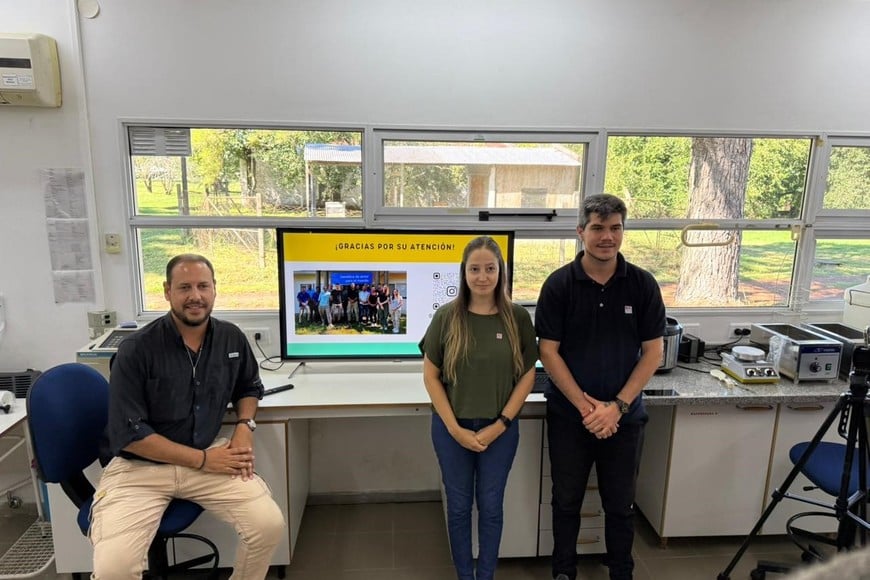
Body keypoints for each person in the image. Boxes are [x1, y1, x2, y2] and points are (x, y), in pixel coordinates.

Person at [92, 254, 285, 579]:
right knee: (113, 569)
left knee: (268, 526)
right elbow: (131, 434)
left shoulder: (230, 338)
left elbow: (249, 386)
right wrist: (202, 460)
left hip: (209, 458)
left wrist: (244, 425)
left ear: (214, 290)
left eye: (202, 286)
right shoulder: (136, 349)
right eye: (184, 287)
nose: (195, 295)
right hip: (142, 470)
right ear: (167, 292)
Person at [535, 194, 665, 580]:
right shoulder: (559, 285)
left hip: (624, 419)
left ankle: (621, 572)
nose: (606, 237)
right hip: (569, 419)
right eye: (597, 228)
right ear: (581, 232)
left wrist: (617, 408)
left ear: (623, 231)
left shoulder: (642, 285)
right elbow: (548, 351)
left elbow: (653, 352)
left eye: (615, 228)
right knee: (566, 501)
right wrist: (587, 409)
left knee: (621, 504)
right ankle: (564, 571)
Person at [419, 236, 538, 580]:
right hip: (451, 430)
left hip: (499, 431)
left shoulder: (516, 318)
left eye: (489, 268)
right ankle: (464, 575)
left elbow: (528, 376)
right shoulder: (446, 317)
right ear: (464, 273)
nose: (482, 276)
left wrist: (499, 424)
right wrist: (456, 430)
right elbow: (430, 376)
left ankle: (485, 575)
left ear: (501, 272)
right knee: (457, 508)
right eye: (475, 269)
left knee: (490, 507)